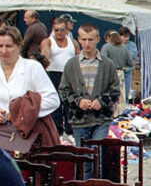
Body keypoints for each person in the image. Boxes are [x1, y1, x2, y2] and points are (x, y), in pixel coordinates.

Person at [0, 25, 59, 125]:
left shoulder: (33, 68)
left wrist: (23, 111)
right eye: (0, 46)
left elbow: (52, 100)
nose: (4, 51)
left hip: (27, 132)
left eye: (9, 46)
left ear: (19, 46)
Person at [59, 24, 120, 154]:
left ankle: (97, 175)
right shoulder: (71, 65)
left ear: (98, 39)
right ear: (79, 39)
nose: (87, 44)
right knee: (83, 158)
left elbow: (115, 90)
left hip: (101, 119)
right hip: (79, 120)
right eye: (84, 39)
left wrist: (102, 101)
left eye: (90, 40)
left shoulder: (107, 64)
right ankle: (86, 176)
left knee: (98, 154)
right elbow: (64, 91)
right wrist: (78, 101)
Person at [42, 16, 76, 136]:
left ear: (66, 30)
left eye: (62, 30)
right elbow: (45, 54)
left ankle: (70, 130)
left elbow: (78, 58)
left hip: (69, 75)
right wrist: (44, 57)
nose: (59, 33)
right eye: (56, 30)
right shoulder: (48, 41)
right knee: (56, 103)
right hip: (54, 73)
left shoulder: (73, 42)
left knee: (69, 102)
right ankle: (57, 130)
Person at [118, 25, 138, 99]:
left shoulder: (132, 45)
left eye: (127, 36)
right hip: (116, 71)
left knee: (126, 92)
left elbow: (132, 56)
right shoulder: (116, 45)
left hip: (126, 71)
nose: (126, 38)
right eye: (124, 36)